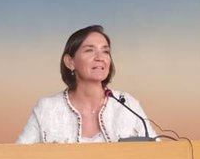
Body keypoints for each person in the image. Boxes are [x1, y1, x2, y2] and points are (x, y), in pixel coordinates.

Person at [17, 25, 156, 143]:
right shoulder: (47, 108)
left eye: (105, 51)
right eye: (90, 50)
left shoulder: (127, 104)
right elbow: (18, 157)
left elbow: (157, 153)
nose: (100, 58)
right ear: (70, 62)